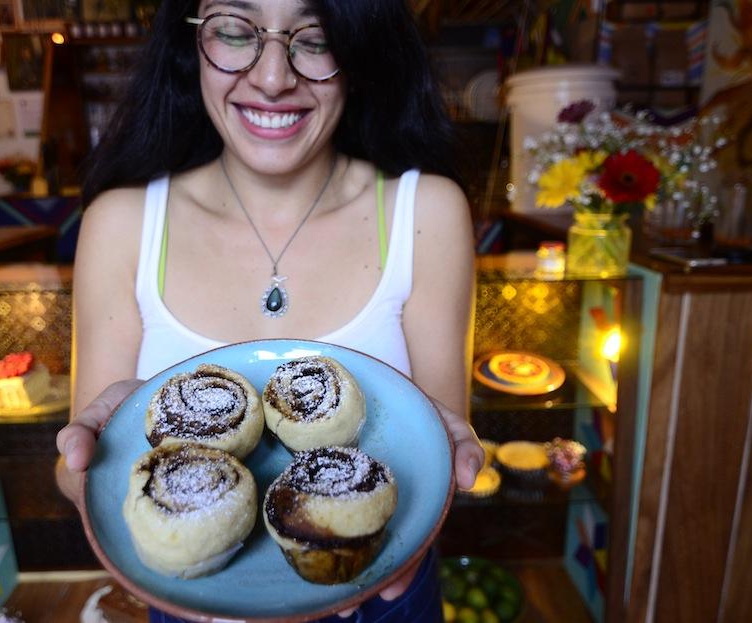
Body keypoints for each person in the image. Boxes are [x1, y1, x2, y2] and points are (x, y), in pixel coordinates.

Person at [55, 0, 484, 620]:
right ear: (190, 43)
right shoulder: (121, 224)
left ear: (359, 50)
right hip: (188, 589)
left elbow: (439, 454)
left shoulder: (428, 214)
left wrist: (448, 462)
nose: (273, 76)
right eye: (235, 30)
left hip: (382, 588)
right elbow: (78, 473)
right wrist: (100, 451)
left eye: (316, 36)